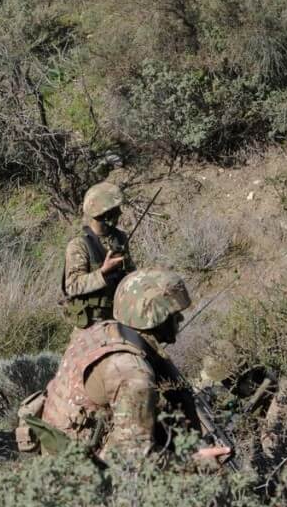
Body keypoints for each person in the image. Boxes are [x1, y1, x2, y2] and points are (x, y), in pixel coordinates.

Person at [21, 268, 229, 468]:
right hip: (78, 473)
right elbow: (132, 460)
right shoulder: (132, 373)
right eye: (174, 314)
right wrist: (195, 463)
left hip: (57, 449)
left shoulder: (100, 331)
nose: (180, 319)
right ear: (156, 317)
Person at [61, 181, 136, 329]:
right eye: (115, 209)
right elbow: (72, 286)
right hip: (92, 322)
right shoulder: (79, 245)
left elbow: (130, 273)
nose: (120, 213)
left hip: (119, 316)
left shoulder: (119, 237)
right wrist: (103, 272)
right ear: (103, 213)